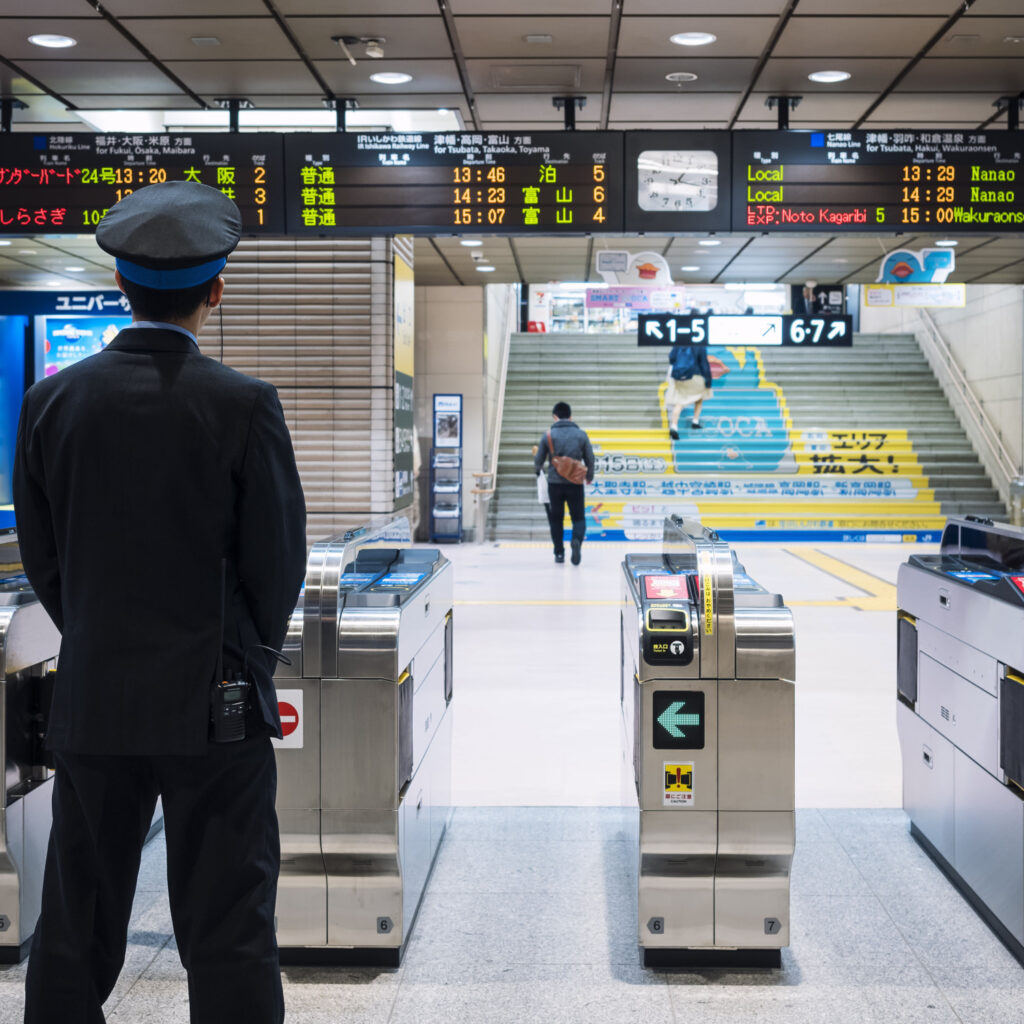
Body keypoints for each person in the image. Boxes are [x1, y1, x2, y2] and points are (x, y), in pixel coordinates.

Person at [14, 180, 307, 1024]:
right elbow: (276, 564)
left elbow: (46, 559)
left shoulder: (52, 402)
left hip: (96, 701)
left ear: (120, 286)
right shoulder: (244, 404)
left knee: (74, 925)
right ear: (216, 289)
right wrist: (236, 657)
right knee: (228, 927)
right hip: (215, 710)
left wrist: (103, 636)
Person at [534, 401, 594, 565]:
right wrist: (589, 476)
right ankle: (576, 540)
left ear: (555, 417)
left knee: (556, 519)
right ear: (571, 416)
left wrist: (538, 473)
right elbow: (590, 457)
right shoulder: (581, 435)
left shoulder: (548, 435)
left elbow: (538, 461)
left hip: (554, 484)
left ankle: (559, 553)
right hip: (575, 483)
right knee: (579, 518)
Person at [665, 342, 713, 439]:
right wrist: (708, 381)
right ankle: (695, 421)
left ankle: (674, 427)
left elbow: (671, 358)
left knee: (679, 402)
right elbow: (704, 364)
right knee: (700, 397)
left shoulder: (678, 344)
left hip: (679, 377)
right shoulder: (700, 346)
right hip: (695, 376)